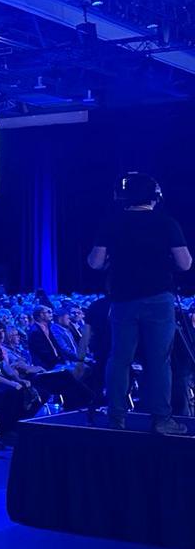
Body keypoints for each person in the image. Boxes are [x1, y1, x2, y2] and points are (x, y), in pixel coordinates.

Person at [89, 172, 191, 434]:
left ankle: (116, 418)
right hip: (158, 299)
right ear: (155, 196)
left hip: (123, 300)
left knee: (119, 358)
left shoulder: (111, 223)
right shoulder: (167, 223)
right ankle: (161, 420)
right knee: (159, 361)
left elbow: (95, 262)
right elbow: (185, 263)